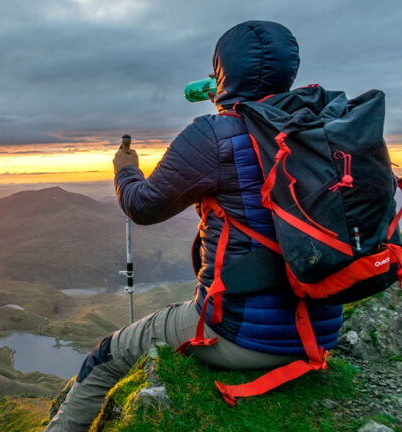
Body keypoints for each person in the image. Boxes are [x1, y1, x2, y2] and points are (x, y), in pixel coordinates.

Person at [45, 20, 343, 432]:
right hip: (324, 328)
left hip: (241, 335)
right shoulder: (322, 129)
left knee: (106, 354)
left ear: (223, 71)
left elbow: (143, 207)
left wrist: (125, 170)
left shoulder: (214, 134)